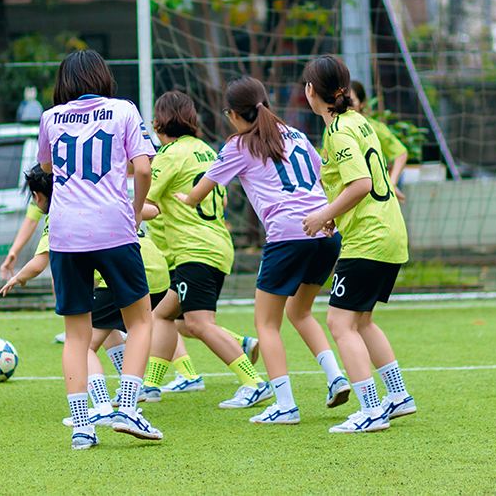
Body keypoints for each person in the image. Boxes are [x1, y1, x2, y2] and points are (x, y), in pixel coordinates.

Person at [176, 77, 349, 425]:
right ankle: (336, 377)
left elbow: (198, 193)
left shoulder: (239, 145)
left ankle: (285, 404)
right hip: (325, 232)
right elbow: (325, 177)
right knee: (300, 312)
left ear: (233, 114)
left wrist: (183, 199)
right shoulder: (296, 135)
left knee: (266, 323)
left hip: (288, 237)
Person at [36, 49, 162, 449]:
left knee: (76, 334)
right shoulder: (123, 109)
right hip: (113, 228)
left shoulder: (50, 117)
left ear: (65, 83)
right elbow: (144, 168)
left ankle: (81, 427)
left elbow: (48, 169)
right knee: (140, 321)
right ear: (102, 77)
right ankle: (127, 408)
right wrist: (136, 211)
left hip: (64, 233)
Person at [0, 165, 170, 425]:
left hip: (127, 275)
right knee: (111, 327)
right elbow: (152, 210)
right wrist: (135, 209)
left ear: (38, 195)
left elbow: (39, 262)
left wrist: (18, 277)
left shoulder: (61, 216)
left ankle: (103, 406)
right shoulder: (103, 199)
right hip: (157, 274)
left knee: (83, 343)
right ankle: (130, 392)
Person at [301, 55, 416, 433]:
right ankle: (397, 395)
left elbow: (362, 184)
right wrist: (336, 214)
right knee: (361, 319)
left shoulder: (338, 131)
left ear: (311, 91)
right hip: (389, 232)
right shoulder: (359, 121)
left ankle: (370, 409)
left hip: (369, 238)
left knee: (339, 322)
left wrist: (321, 215)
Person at [141, 91, 268, 408]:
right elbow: (221, 201)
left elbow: (146, 204)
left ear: (158, 122)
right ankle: (151, 386)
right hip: (217, 245)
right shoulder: (207, 151)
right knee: (163, 315)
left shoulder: (169, 155)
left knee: (198, 323)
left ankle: (254, 382)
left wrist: (114, 210)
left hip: (194, 249)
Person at [345, 80, 409, 202]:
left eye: (351, 101)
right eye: (342, 100)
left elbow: (401, 153)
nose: (346, 105)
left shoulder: (373, 127)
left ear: (362, 103)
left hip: (373, 198)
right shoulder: (332, 130)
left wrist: (392, 183)